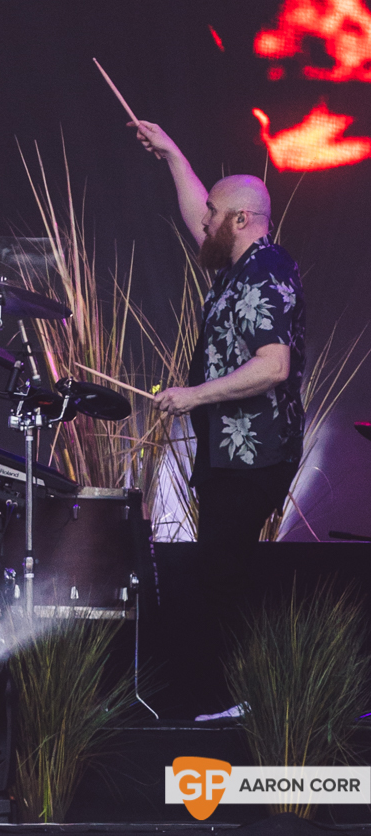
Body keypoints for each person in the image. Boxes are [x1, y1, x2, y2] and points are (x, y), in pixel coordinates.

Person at [132, 120, 305, 719]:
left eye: (213, 213)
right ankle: (232, 696)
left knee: (221, 572)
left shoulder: (267, 269)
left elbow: (274, 366)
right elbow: (197, 213)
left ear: (240, 220)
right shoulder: (236, 265)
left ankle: (237, 699)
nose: (201, 219)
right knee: (220, 568)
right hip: (227, 452)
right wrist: (172, 152)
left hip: (256, 453)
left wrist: (195, 396)